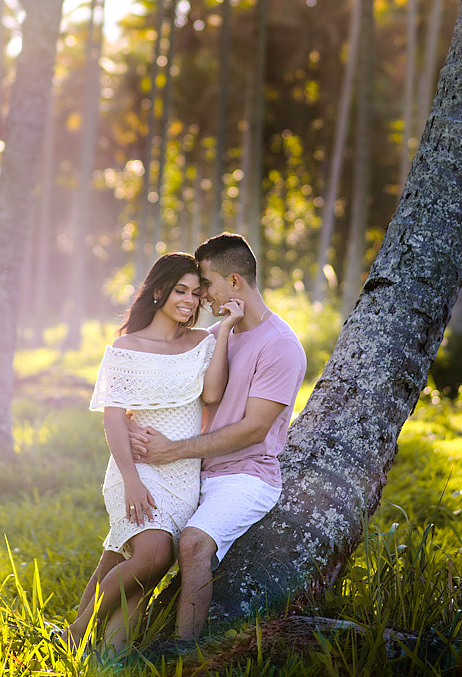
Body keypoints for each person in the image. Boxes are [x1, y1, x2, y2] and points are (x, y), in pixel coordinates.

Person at [129, 232, 307, 643]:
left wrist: (173, 451)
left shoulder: (281, 346)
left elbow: (254, 429)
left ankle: (183, 654)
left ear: (234, 283)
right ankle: (85, 635)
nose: (200, 294)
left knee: (193, 544)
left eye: (206, 284)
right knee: (137, 544)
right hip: (193, 472)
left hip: (245, 476)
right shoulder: (216, 335)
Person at [67, 252, 243, 653]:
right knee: (154, 555)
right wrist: (131, 481)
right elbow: (113, 420)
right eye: (181, 290)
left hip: (183, 476)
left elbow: (212, 393)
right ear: (159, 291)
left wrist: (225, 329)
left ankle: (109, 658)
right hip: (136, 469)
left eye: (196, 293)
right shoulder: (126, 348)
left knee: (137, 574)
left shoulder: (203, 341)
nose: (190, 300)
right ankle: (78, 630)